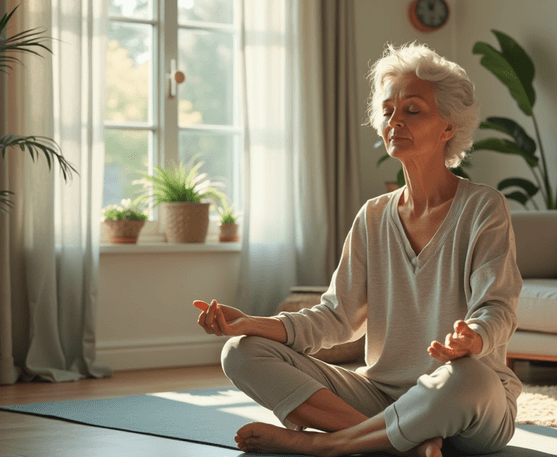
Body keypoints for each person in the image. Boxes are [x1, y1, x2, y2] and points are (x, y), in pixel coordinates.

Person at [196, 42, 523, 457]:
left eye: (412, 110)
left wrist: (471, 341)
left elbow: (498, 309)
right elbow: (336, 318)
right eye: (387, 111)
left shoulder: (483, 207)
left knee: (468, 377)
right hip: (379, 395)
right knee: (241, 353)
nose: (394, 121)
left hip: (466, 403)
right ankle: (402, 441)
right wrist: (253, 325)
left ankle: (329, 446)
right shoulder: (373, 215)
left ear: (448, 128)